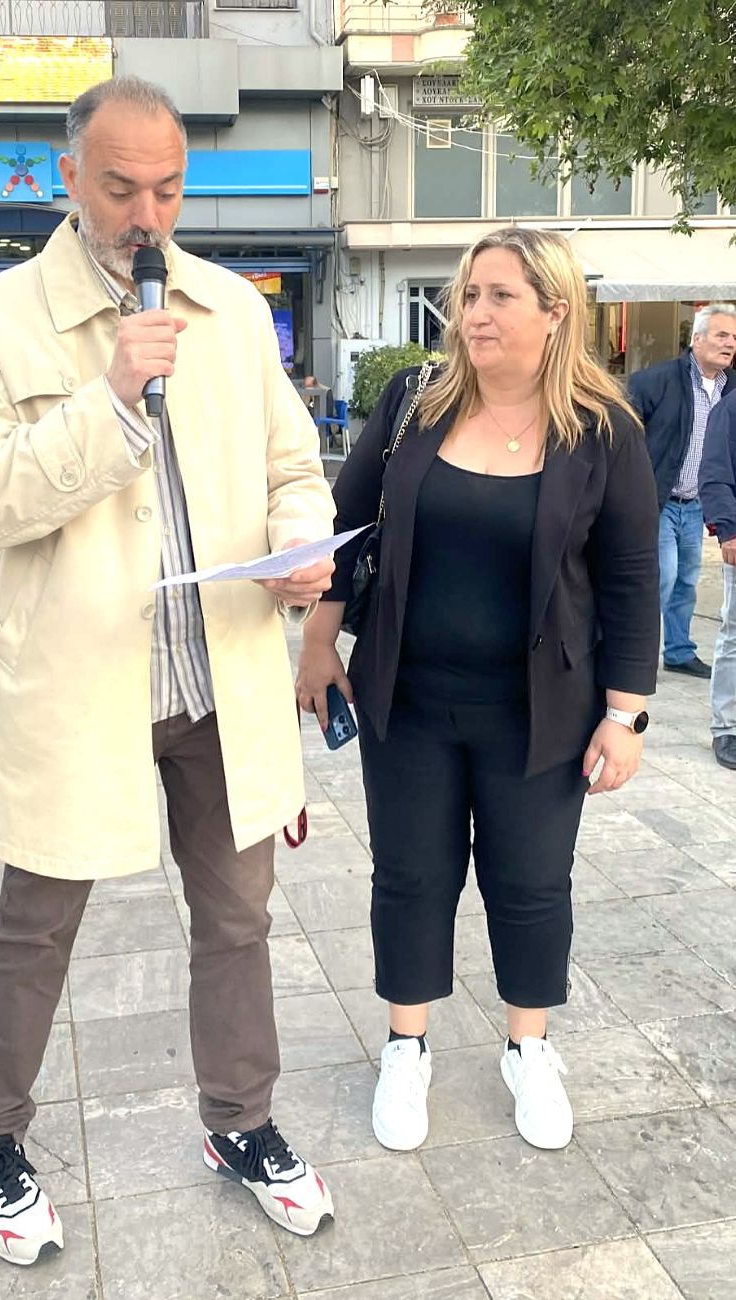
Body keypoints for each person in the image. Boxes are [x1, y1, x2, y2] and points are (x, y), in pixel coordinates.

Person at [0, 75, 336, 1267]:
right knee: (37, 921)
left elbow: (291, 464)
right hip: (82, 683)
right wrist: (108, 399)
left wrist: (297, 546)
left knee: (238, 917)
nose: (145, 215)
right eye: (119, 188)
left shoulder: (229, 309)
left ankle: (240, 1118)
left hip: (219, 675)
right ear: (69, 176)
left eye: (166, 189)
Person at [297, 227, 660, 1155]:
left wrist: (625, 715)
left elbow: (629, 579)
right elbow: (346, 524)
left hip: (541, 711)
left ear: (556, 312)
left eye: (500, 296)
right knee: (410, 876)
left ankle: (527, 1050)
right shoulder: (414, 403)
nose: (475, 314)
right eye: (468, 295)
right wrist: (318, 643)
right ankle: (406, 1046)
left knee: (530, 883)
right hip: (408, 698)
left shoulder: (604, 429)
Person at [628, 305, 736, 679]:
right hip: (657, 501)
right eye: (722, 335)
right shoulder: (655, 382)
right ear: (697, 339)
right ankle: (636, 655)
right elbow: (624, 440)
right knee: (662, 577)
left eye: (734, 338)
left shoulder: (731, 389)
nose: (730, 344)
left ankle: (678, 651)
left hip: (696, 505)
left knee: (687, 581)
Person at [699, 389, 736, 770]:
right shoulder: (730, 409)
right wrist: (729, 530)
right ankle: (727, 727)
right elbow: (714, 473)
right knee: (735, 636)